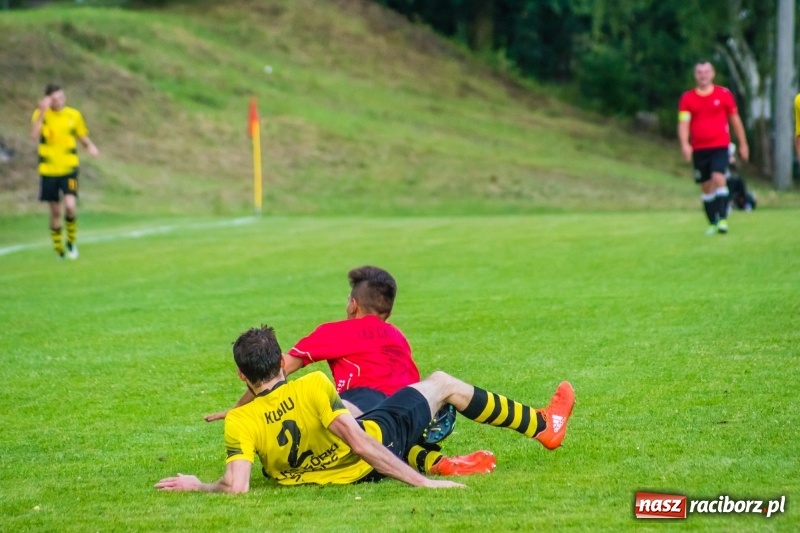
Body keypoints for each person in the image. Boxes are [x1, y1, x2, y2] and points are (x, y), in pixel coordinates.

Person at [155, 324, 575, 492]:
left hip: (331, 474)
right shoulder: (314, 384)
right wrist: (421, 485)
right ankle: (543, 425)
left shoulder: (241, 421)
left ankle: (435, 459)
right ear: (280, 360)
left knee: (359, 410)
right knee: (442, 383)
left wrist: (199, 485)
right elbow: (360, 444)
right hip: (368, 457)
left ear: (241, 377)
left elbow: (237, 487)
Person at [204, 266, 493, 476]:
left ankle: (430, 466)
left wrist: (238, 409)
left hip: (365, 407)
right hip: (414, 412)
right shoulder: (397, 336)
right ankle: (435, 462)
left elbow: (273, 371)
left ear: (353, 304)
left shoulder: (338, 332)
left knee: (332, 424)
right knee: (387, 439)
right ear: (387, 313)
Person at [678, 61, 749, 235]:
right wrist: (685, 144)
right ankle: (713, 221)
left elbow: (735, 119)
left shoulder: (723, 94)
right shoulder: (688, 98)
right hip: (700, 148)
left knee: (719, 177)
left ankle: (723, 219)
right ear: (696, 75)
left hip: (720, 145)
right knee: (706, 185)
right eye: (700, 72)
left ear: (713, 74)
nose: (703, 75)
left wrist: (743, 143)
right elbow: (683, 123)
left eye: (707, 71)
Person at [30, 84, 99, 260]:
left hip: (70, 170)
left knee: (70, 205)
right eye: (55, 98)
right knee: (55, 212)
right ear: (47, 99)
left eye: (62, 97)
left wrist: (90, 146)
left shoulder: (73, 115)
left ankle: (71, 241)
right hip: (49, 171)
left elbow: (81, 135)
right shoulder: (41, 115)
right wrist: (42, 111)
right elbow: (34, 135)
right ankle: (59, 248)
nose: (59, 101)